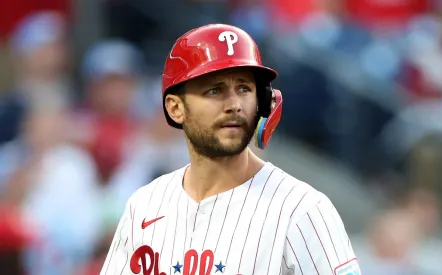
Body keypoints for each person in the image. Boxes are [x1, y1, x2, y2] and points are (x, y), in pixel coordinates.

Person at [100, 24, 360, 275]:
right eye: (214, 90)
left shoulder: (301, 210)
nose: (234, 104)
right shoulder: (145, 205)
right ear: (175, 108)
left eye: (244, 88)